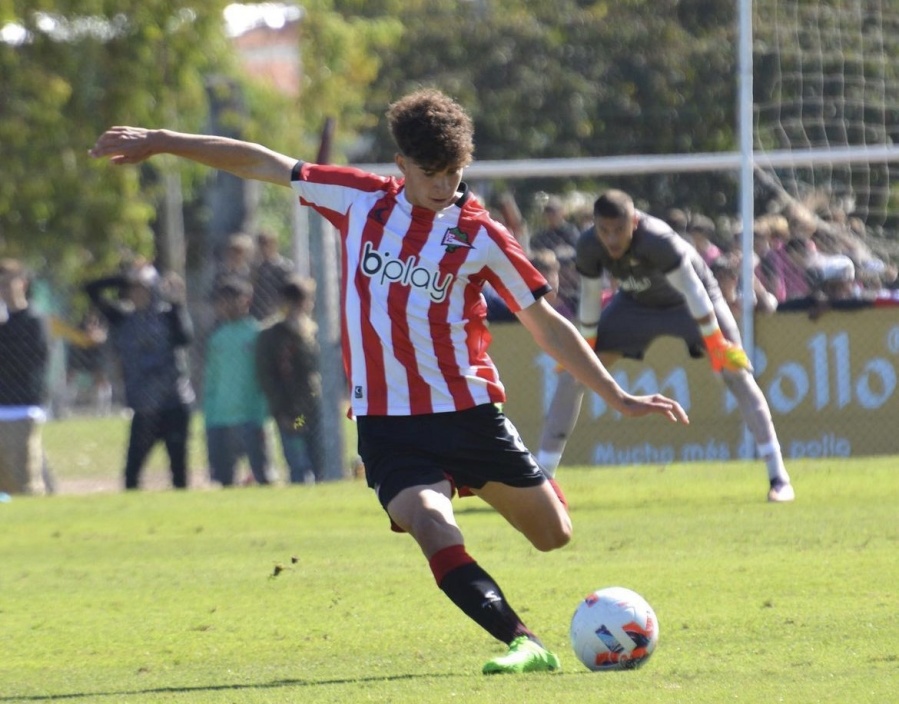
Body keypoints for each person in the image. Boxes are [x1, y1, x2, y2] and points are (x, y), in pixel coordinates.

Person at [89, 88, 687, 675]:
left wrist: (617, 394)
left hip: (467, 413)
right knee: (429, 523)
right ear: (401, 166)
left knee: (554, 536)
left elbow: (547, 325)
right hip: (387, 426)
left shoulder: (479, 234)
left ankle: (497, 483)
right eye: (430, 172)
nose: (443, 186)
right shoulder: (358, 200)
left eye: (454, 172)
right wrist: (164, 141)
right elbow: (260, 161)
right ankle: (523, 640)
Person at [535, 190, 794, 503]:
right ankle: (542, 481)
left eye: (619, 230)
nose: (612, 239)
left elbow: (695, 292)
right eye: (605, 231)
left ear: (634, 221)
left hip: (692, 305)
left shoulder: (658, 240)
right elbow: (590, 301)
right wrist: (584, 351)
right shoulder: (589, 244)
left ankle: (779, 478)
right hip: (634, 306)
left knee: (735, 372)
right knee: (573, 375)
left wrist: (716, 344)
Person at [85, 264, 195, 490]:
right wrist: (125, 277)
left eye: (142, 288)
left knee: (178, 470)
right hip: (144, 406)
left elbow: (185, 337)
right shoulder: (122, 318)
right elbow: (91, 289)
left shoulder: (169, 315)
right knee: (132, 473)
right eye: (132, 289)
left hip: (174, 402)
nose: (136, 293)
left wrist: (176, 302)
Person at [204, 277, 272, 487]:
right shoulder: (217, 338)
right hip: (220, 419)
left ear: (246, 301)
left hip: (251, 417)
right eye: (223, 301)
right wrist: (209, 418)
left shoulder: (258, 334)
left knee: (262, 476)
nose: (227, 305)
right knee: (224, 481)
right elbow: (211, 381)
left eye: (233, 300)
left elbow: (265, 380)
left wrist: (261, 416)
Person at [255, 275, 323, 484]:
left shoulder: (313, 333)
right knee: (298, 461)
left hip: (313, 405)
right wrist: (281, 410)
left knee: (318, 458)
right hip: (291, 410)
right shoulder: (272, 335)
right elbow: (267, 376)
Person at [0, 259, 50, 495]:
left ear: (23, 284)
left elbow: (30, 360)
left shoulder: (33, 320)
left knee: (24, 479)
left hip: (22, 406)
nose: (5, 289)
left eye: (10, 283)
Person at [250, 229, 295, 322]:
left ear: (274, 245)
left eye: (266, 244)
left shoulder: (284, 267)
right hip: (258, 313)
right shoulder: (257, 267)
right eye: (260, 245)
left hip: (278, 311)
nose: (263, 248)